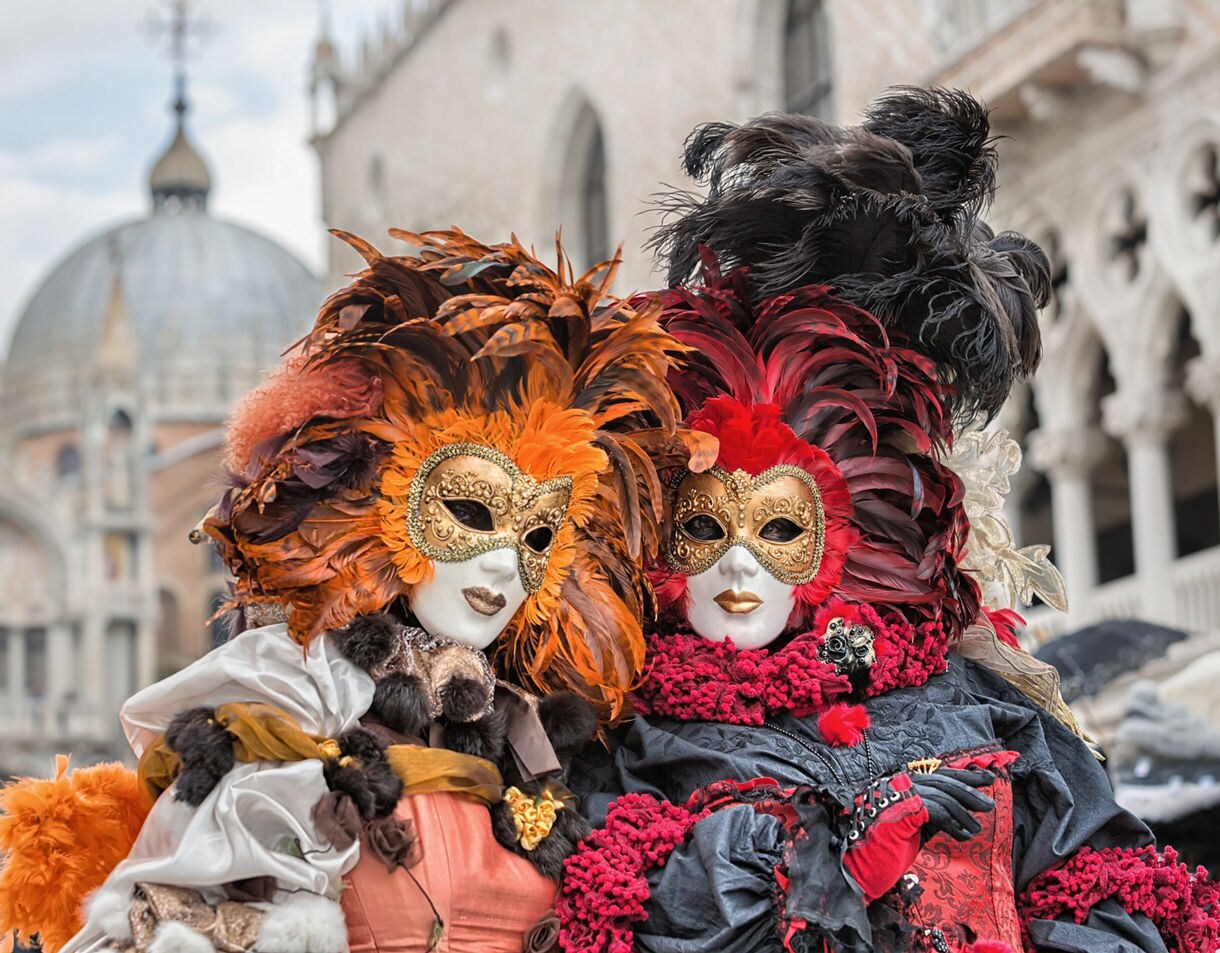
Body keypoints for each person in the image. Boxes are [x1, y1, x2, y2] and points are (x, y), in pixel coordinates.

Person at [559, 88, 1217, 953]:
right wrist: (838, 861)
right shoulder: (639, 740)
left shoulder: (968, 703)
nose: (740, 570)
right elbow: (638, 914)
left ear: (838, 539)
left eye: (780, 530)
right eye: (706, 531)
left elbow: (1090, 874)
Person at [0, 230, 697, 953]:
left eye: (537, 537)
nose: (500, 569)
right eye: (470, 512)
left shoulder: (527, 734)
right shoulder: (296, 702)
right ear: (382, 509)